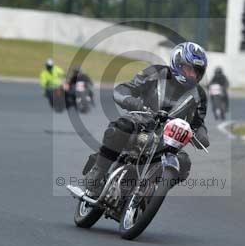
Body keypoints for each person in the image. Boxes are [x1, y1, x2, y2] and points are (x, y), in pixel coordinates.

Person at [85, 42, 211, 197]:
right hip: (141, 121)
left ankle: (152, 191)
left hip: (168, 139)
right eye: (189, 69)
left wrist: (201, 134)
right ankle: (98, 171)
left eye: (197, 72)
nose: (193, 75)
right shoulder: (156, 72)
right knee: (120, 127)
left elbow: (198, 123)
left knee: (184, 163)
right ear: (177, 63)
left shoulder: (199, 95)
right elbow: (124, 88)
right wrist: (130, 100)